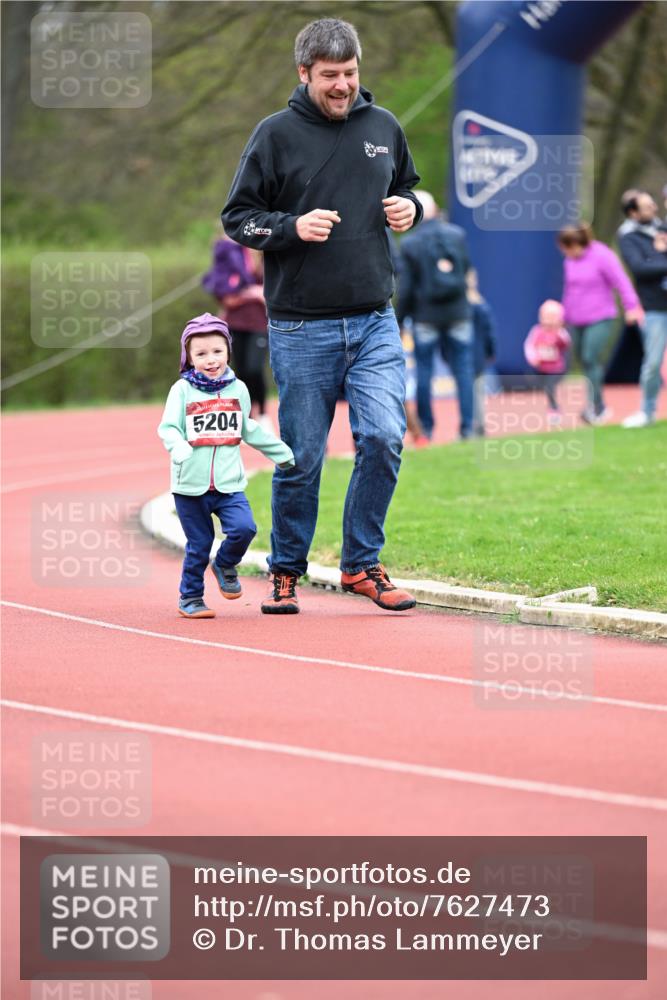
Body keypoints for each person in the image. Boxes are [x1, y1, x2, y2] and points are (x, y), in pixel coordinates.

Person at [222, 17, 422, 615]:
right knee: (303, 455)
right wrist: (291, 227)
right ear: (304, 72)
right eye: (330, 76)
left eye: (351, 73)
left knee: (384, 439)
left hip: (374, 319)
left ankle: (362, 565)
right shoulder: (274, 135)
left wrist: (407, 208)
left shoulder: (384, 126)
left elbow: (409, 187)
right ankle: (286, 569)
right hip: (301, 325)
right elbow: (239, 218)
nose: (343, 86)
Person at [158, 313, 294, 619]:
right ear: (189, 357)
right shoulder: (182, 391)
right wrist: (178, 447)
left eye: (217, 351)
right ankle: (190, 597)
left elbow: (249, 428)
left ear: (228, 352)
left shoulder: (238, 389)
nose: (210, 359)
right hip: (190, 485)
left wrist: (279, 453)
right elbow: (168, 428)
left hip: (229, 484)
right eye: (201, 353)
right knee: (199, 542)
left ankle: (224, 563)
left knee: (245, 528)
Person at [396, 190, 474, 441]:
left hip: (425, 315)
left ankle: (427, 429)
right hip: (458, 311)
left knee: (424, 372)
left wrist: (399, 320)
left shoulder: (410, 243)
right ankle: (467, 428)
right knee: (463, 370)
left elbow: (406, 287)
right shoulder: (457, 235)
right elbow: (466, 271)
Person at [557, 222, 643, 425]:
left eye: (568, 247)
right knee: (584, 361)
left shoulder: (602, 255)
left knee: (590, 356)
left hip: (601, 316)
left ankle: (595, 407)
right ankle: (598, 403)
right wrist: (563, 314)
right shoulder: (569, 262)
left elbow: (621, 281)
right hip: (576, 318)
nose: (566, 252)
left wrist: (632, 307)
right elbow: (569, 289)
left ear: (578, 243)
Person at [202, 235, 272, 430]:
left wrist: (256, 293)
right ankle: (246, 417)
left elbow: (269, 293)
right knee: (239, 372)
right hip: (234, 323)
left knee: (254, 368)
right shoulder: (227, 257)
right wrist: (250, 294)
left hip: (259, 323)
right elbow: (227, 297)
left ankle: (264, 413)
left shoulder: (262, 254)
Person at [617, 191, 667, 428]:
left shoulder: (663, 227)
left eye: (654, 204)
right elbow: (640, 269)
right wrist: (659, 253)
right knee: (653, 362)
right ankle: (647, 412)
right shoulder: (628, 237)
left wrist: (657, 257)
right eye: (647, 207)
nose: (654, 209)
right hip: (655, 306)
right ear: (633, 213)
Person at [524, 300, 571, 424]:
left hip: (556, 368)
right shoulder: (537, 331)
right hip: (542, 368)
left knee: (550, 387)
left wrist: (559, 331)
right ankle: (552, 406)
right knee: (546, 388)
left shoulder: (560, 332)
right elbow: (529, 345)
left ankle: (554, 409)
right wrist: (532, 357)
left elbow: (567, 343)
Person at [467, 269, 496, 437]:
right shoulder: (482, 305)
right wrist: (491, 351)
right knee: (477, 390)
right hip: (478, 354)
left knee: (470, 389)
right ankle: (479, 422)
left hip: (469, 354)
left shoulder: (462, 306)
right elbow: (489, 332)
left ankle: (472, 423)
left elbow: (489, 332)